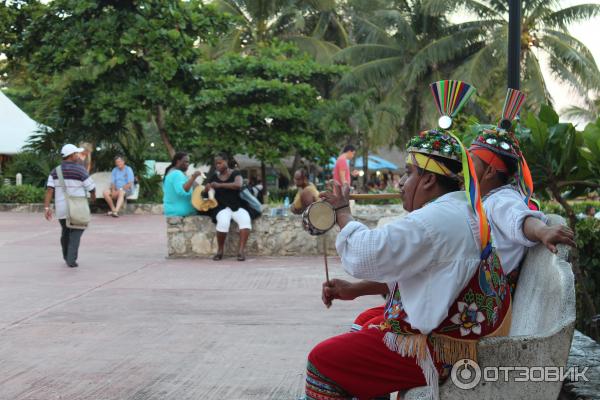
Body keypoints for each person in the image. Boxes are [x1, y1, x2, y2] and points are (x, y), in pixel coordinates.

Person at [306, 123, 512, 400]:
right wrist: (355, 289)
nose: (401, 183)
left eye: (408, 173)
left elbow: (368, 253)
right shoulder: (461, 208)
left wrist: (343, 213)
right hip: (459, 336)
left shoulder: (436, 220)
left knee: (322, 361)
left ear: (428, 180)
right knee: (366, 321)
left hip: (439, 350)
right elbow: (426, 270)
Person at [44, 144, 96, 268]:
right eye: (76, 154)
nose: (78, 156)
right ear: (71, 155)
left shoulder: (55, 171)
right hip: (77, 207)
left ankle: (66, 255)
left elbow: (49, 191)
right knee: (77, 231)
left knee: (65, 230)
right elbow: (92, 188)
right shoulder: (80, 170)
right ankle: (71, 259)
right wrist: (93, 199)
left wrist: (47, 208)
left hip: (61, 208)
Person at [205, 153, 252, 262]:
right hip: (221, 207)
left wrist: (220, 185)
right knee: (223, 222)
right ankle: (220, 251)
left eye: (220, 163)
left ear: (226, 161)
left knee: (245, 220)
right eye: (216, 163)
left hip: (236, 205)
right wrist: (206, 189)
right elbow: (206, 190)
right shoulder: (214, 176)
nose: (217, 165)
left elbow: (238, 185)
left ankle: (241, 251)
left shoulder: (236, 173)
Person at [163, 152, 202, 217]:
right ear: (178, 161)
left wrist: (192, 180)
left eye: (188, 162)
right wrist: (194, 177)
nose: (188, 164)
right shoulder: (177, 174)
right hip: (179, 214)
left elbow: (194, 186)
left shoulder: (174, 173)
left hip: (174, 212)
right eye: (186, 162)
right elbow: (182, 190)